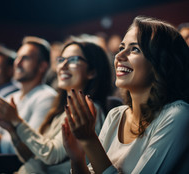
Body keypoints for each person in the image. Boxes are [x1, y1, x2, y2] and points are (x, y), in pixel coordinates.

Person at [62, 16, 189, 174]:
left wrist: (90, 141)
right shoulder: (115, 116)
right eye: (121, 47)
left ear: (162, 61)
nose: (119, 56)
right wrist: (77, 159)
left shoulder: (178, 115)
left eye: (135, 49)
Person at [0, 40, 113, 173]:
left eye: (73, 59)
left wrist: (17, 121)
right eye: (61, 59)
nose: (63, 65)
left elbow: (52, 155)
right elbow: (33, 158)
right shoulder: (60, 110)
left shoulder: (88, 110)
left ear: (92, 71)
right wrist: (13, 131)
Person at [0, 36, 57, 154]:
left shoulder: (47, 97)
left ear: (42, 66)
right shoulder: (12, 97)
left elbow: (33, 147)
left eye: (25, 58)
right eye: (17, 57)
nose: (18, 63)